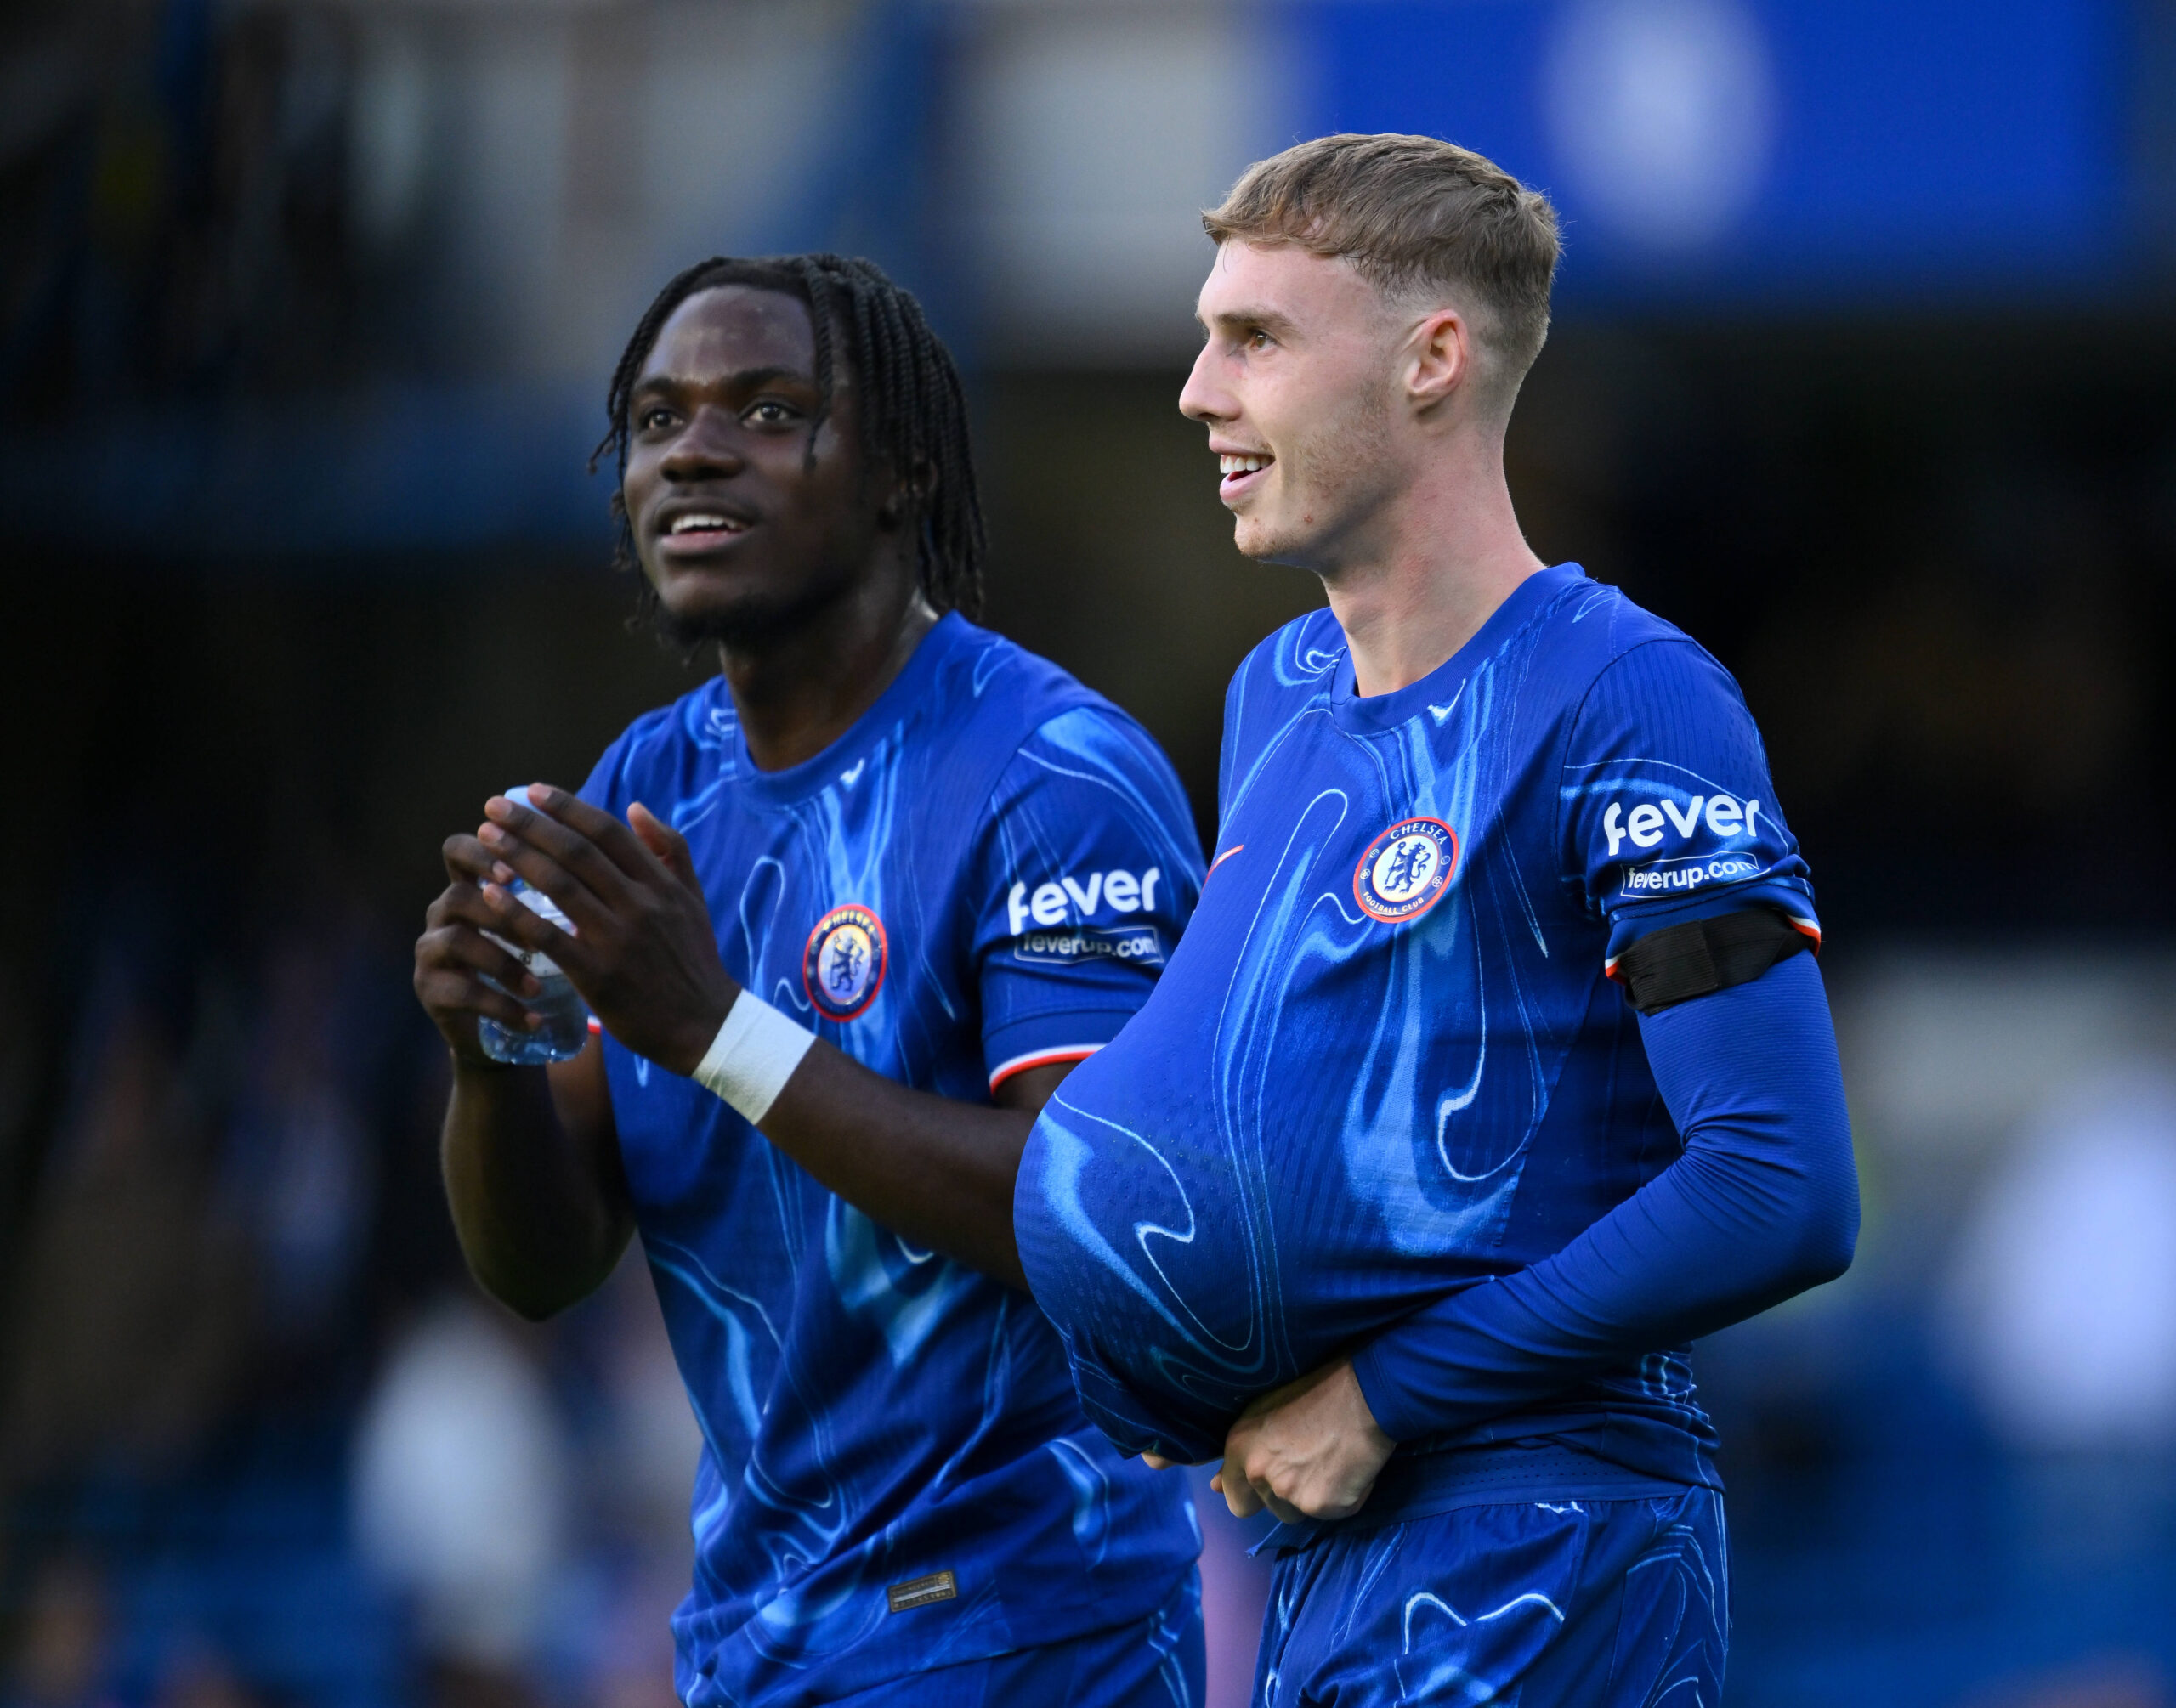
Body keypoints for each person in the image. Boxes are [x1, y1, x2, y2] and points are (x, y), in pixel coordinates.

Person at [1012, 135, 1860, 1704]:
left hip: (1546, 1551)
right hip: (1320, 1550)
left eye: (1255, 338)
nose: (1200, 390)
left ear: (1432, 361)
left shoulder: (1631, 693)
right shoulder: (1275, 694)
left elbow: (1779, 1182)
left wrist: (1387, 1396)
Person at [411, 253, 1207, 1708]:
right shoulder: (647, 786)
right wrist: (487, 1061)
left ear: (902, 469)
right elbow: (544, 1264)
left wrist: (715, 1028)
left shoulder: (1050, 776)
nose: (695, 449)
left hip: (1028, 1633)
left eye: (769, 411)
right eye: (658, 421)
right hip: (754, 1646)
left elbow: (1102, 1222)